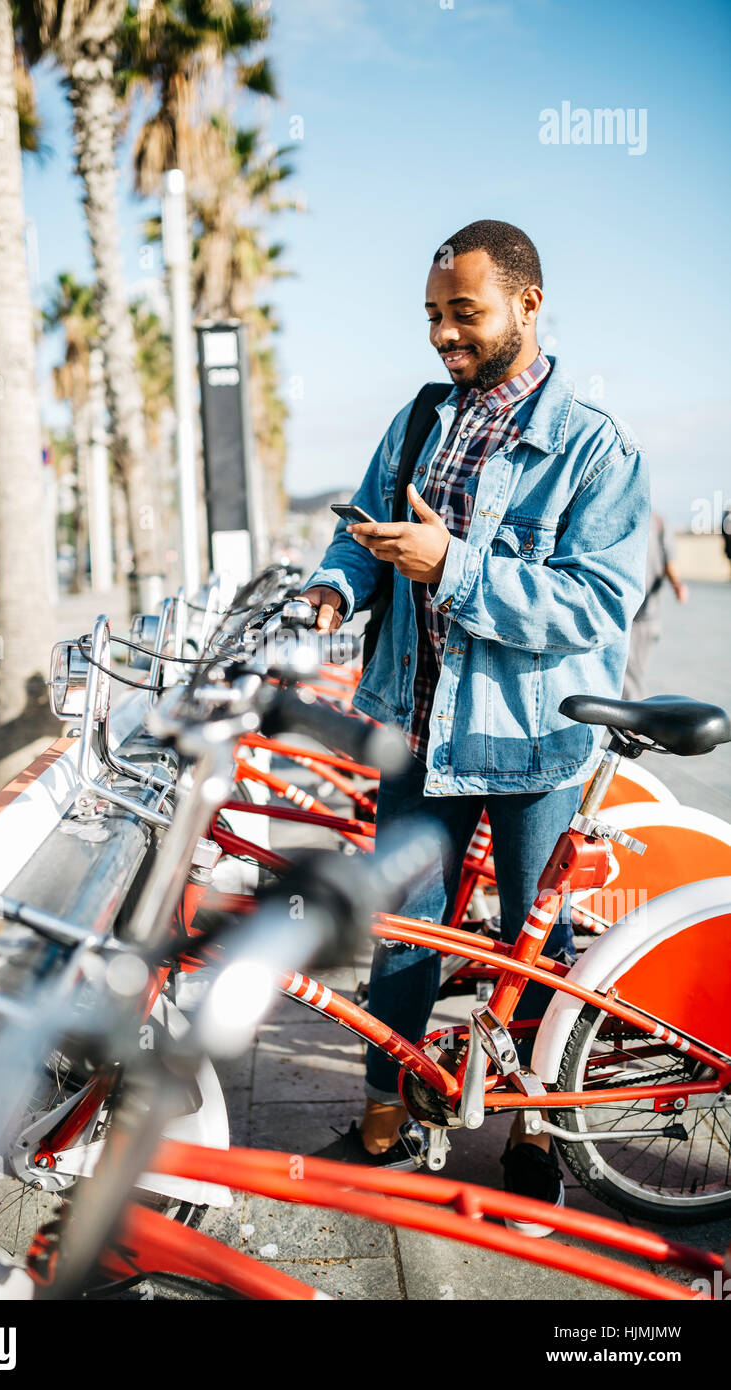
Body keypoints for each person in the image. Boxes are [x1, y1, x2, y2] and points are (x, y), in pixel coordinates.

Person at [300, 220, 650, 1233]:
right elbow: (361, 529)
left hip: (534, 738)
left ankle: (536, 1132)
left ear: (526, 305)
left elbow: (591, 605)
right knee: (401, 929)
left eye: (465, 314)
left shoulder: (595, 444)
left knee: (534, 948)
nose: (444, 336)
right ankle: (383, 1120)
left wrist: (448, 567)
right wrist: (337, 584)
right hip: (412, 722)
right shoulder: (419, 416)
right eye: (432, 317)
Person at [622, 511, 688, 701]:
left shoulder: (659, 522)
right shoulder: (622, 512)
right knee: (627, 675)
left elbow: (670, 563)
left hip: (646, 616)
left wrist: (677, 585)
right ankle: (629, 723)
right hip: (622, 612)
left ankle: (632, 726)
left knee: (635, 675)